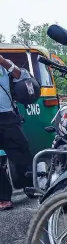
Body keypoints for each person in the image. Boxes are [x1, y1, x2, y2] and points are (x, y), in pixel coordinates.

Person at [0, 55, 34, 210]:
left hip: (7, 118)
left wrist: (3, 62)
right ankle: (3, 197)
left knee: (21, 154)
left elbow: (22, 76)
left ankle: (30, 185)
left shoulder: (5, 66)